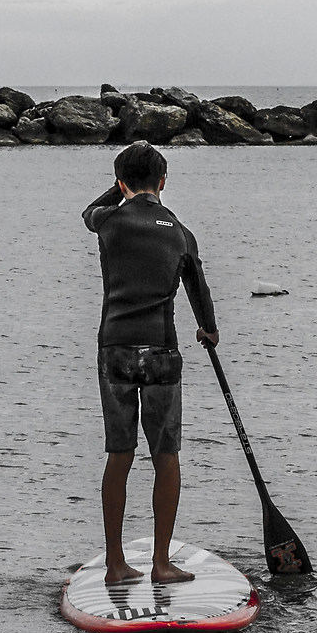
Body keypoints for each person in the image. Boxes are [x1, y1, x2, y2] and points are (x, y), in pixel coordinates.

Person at [82, 139, 218, 586]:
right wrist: (208, 329)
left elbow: (88, 213)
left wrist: (120, 191)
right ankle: (162, 563)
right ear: (164, 181)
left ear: (121, 182)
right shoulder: (180, 232)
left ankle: (116, 564)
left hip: (115, 350)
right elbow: (198, 287)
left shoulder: (108, 221)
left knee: (119, 453)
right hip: (161, 352)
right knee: (166, 456)